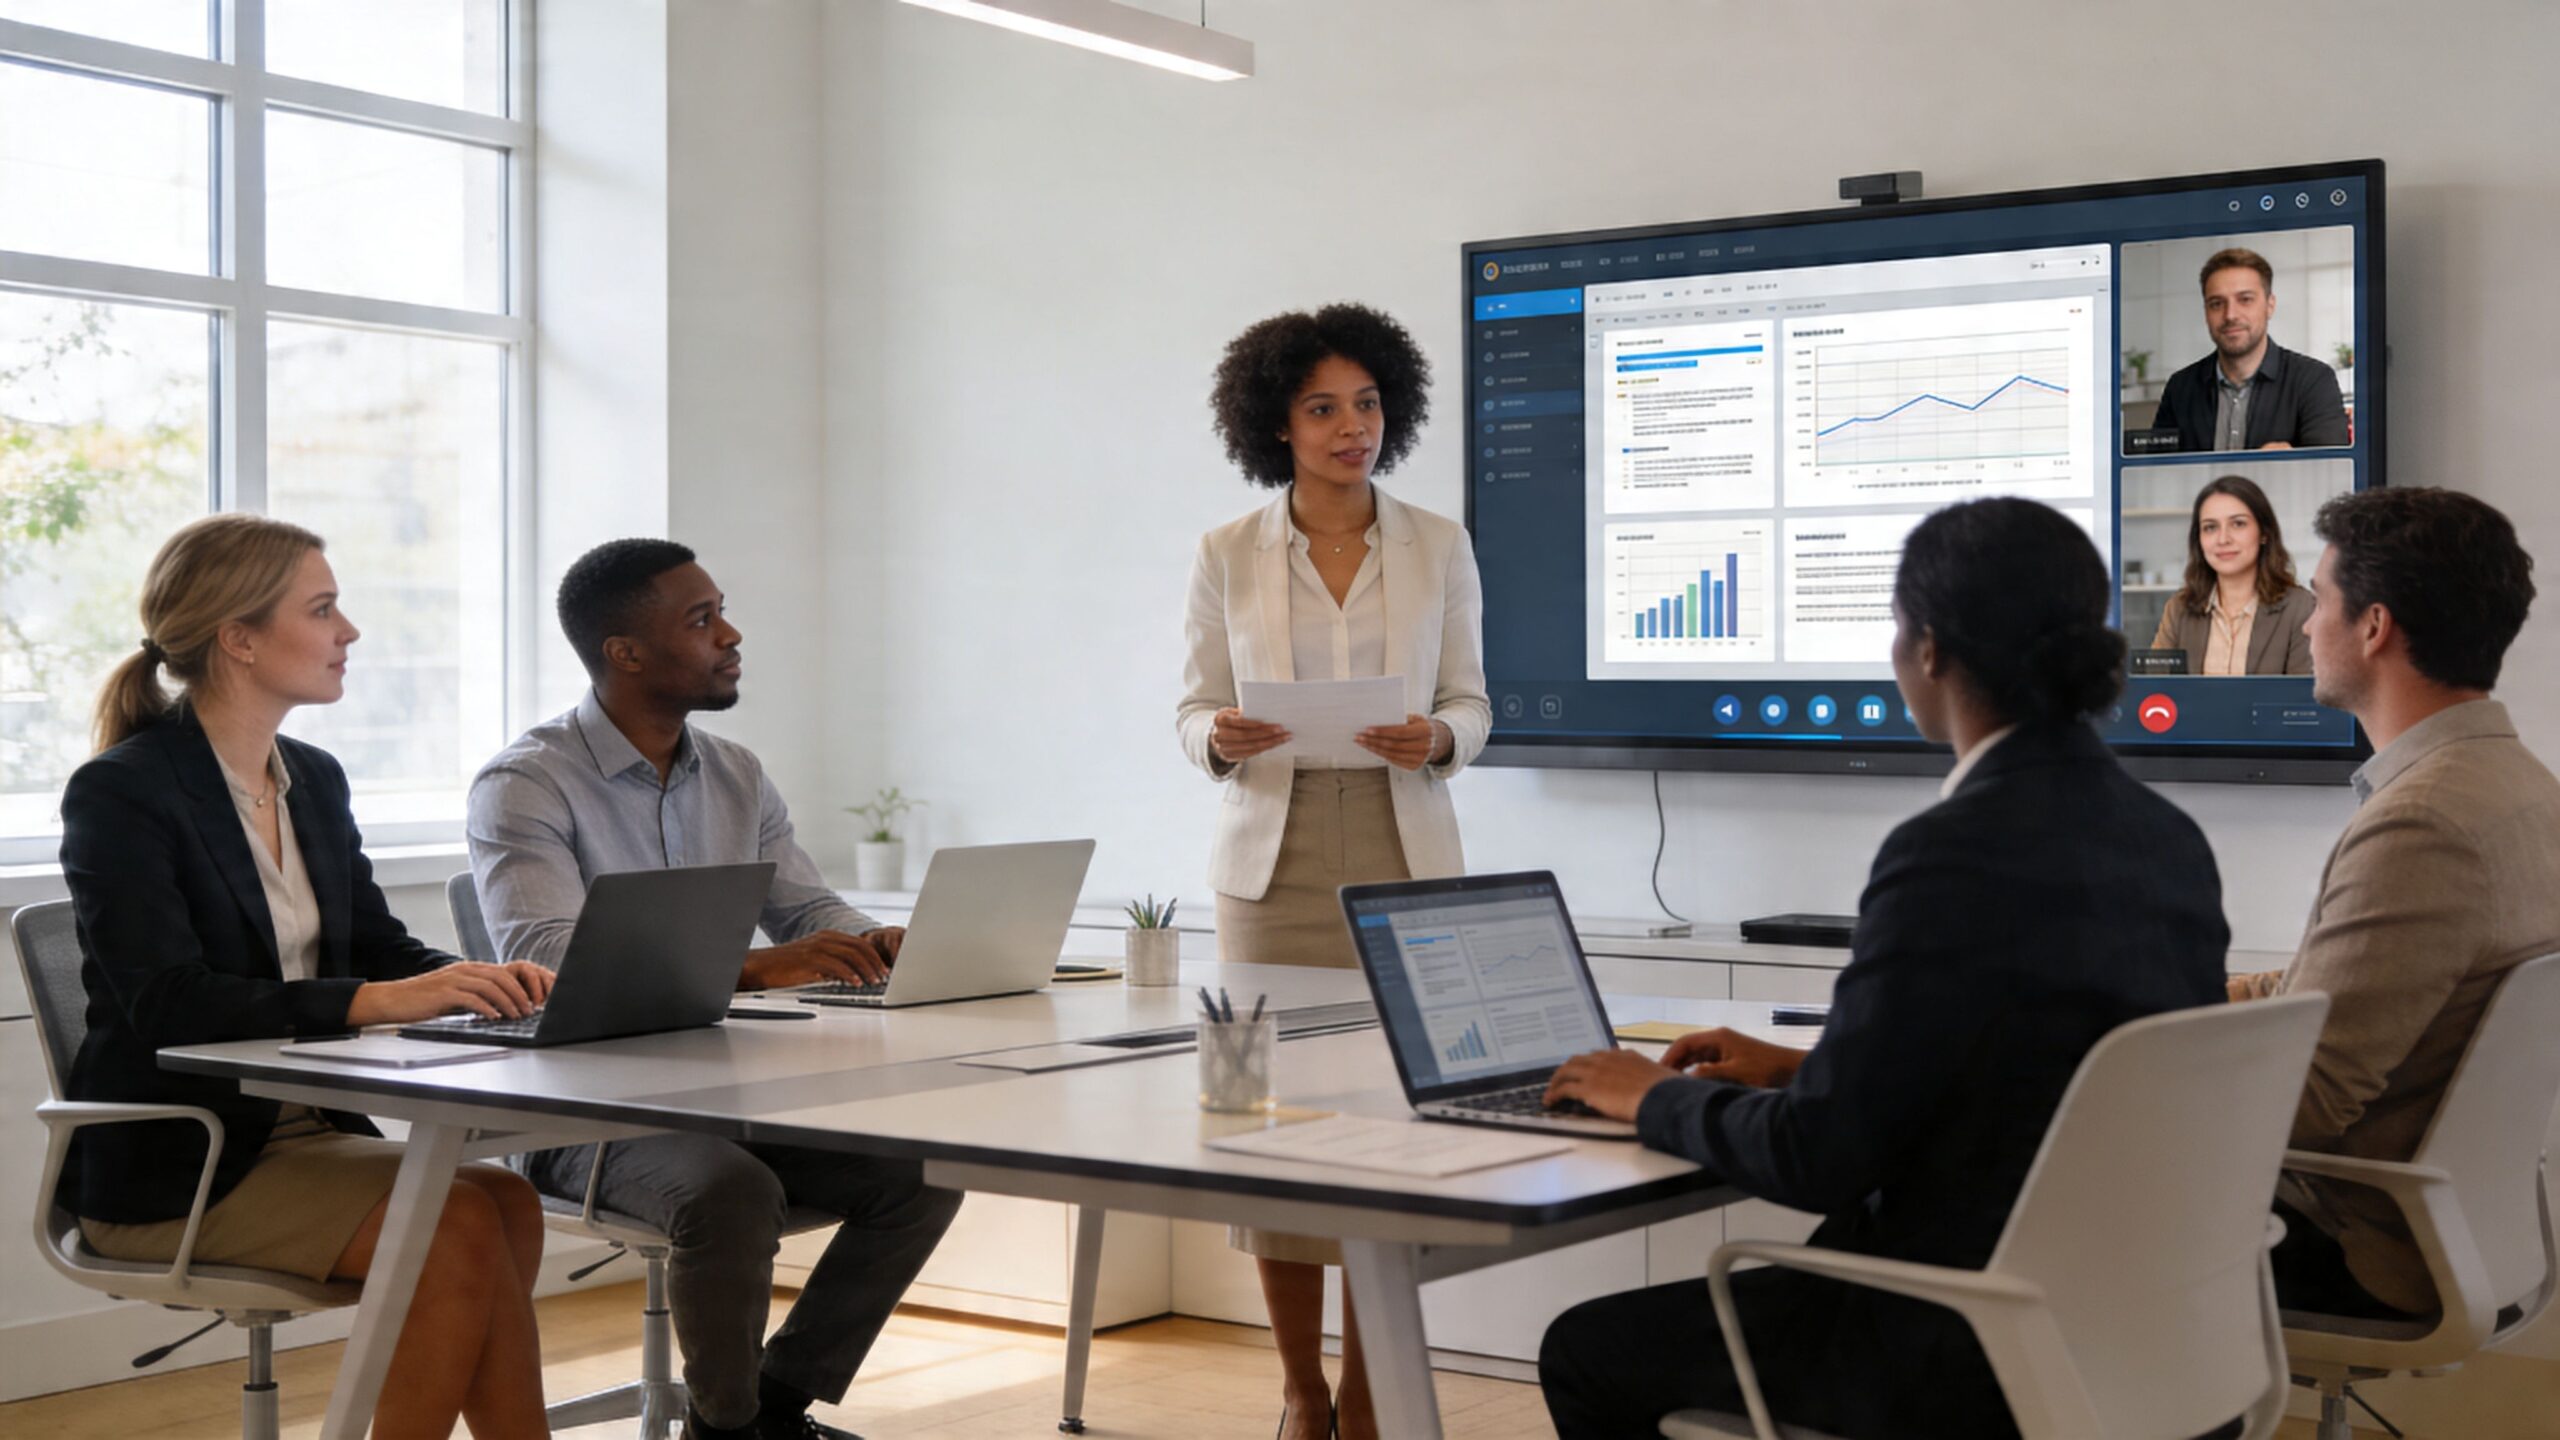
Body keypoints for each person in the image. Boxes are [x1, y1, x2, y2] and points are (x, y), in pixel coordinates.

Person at [1536, 498, 2230, 1439]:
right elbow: (2033, 1068)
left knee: (1588, 1350)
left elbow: (1818, 1159)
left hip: (1956, 1345)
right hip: (2136, 1329)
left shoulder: (1949, 853)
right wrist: (1804, 1067)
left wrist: (1644, 1095)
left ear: (1930, 650)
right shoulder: (2167, 838)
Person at [57, 514, 554, 1440]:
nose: (350, 632)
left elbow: (376, 948)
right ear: (238, 640)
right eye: (323, 609)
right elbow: (166, 999)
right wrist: (376, 1002)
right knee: (455, 1226)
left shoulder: (313, 779)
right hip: (187, 1158)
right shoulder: (124, 791)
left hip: (303, 1132)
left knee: (507, 1200)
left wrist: (482, 979)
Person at [466, 539, 963, 1440]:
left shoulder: (735, 773)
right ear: (625, 652)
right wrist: (751, 966)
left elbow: (807, 909)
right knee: (727, 1192)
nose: (731, 635)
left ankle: (771, 1407)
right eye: (701, 620)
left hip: (728, 1095)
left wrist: (882, 943)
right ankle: (725, 1431)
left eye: (720, 611)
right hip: (582, 1111)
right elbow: (547, 959)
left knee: (923, 1174)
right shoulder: (525, 783)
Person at [1177, 302, 1490, 1440]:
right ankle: (1302, 1392)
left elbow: (1470, 696)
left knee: (1387, 1133)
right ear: (1277, 425)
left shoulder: (1438, 542)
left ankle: (1368, 1395)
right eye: (1322, 408)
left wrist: (1442, 739)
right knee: (1258, 1122)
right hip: (1270, 858)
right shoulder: (1225, 552)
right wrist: (1218, 734)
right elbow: (1190, 702)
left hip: (1406, 848)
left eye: (1366, 403)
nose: (1351, 426)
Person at [2227, 487, 2555, 1320]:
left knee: (2012, 1185)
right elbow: (2348, 988)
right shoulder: (2523, 789)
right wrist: (2182, 992)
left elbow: (2310, 1097)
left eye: (2322, 602)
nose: (2305, 625)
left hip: (2358, 1242)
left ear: (2374, 627)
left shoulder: (2423, 822)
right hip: (2469, 1231)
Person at [2154, 247, 2350, 453]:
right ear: (2206, 312)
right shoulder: (2180, 388)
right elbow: (2154, 471)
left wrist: (2292, 463)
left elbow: (2332, 471)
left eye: (2245, 299)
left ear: (2270, 305)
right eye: (2216, 303)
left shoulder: (2313, 379)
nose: (2230, 315)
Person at [2148, 474, 2315, 674]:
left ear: (2264, 533)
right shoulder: (2179, 608)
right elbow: (2155, 688)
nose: (2223, 539)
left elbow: (2301, 699)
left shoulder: (2301, 608)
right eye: (2210, 527)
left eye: (2238, 524)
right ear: (2199, 540)